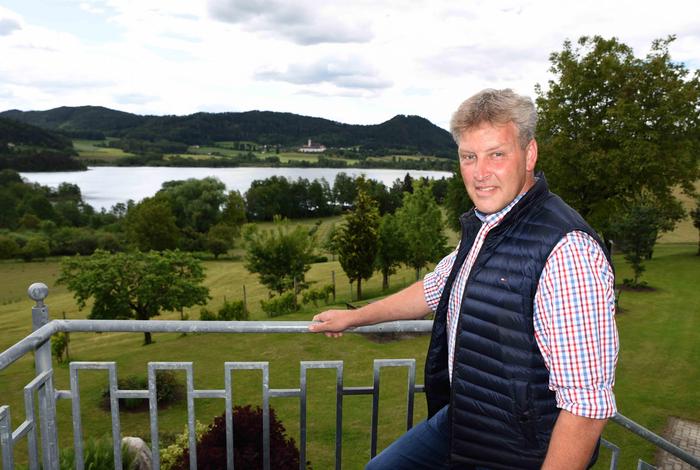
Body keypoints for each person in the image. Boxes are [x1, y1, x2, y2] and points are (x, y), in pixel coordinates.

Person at [309, 88, 618, 470]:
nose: (480, 172)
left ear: (529, 154)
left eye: (496, 155)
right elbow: (434, 289)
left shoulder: (566, 251)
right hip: (465, 423)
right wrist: (353, 316)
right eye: (469, 157)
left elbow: (586, 406)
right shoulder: (487, 228)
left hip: (519, 449)